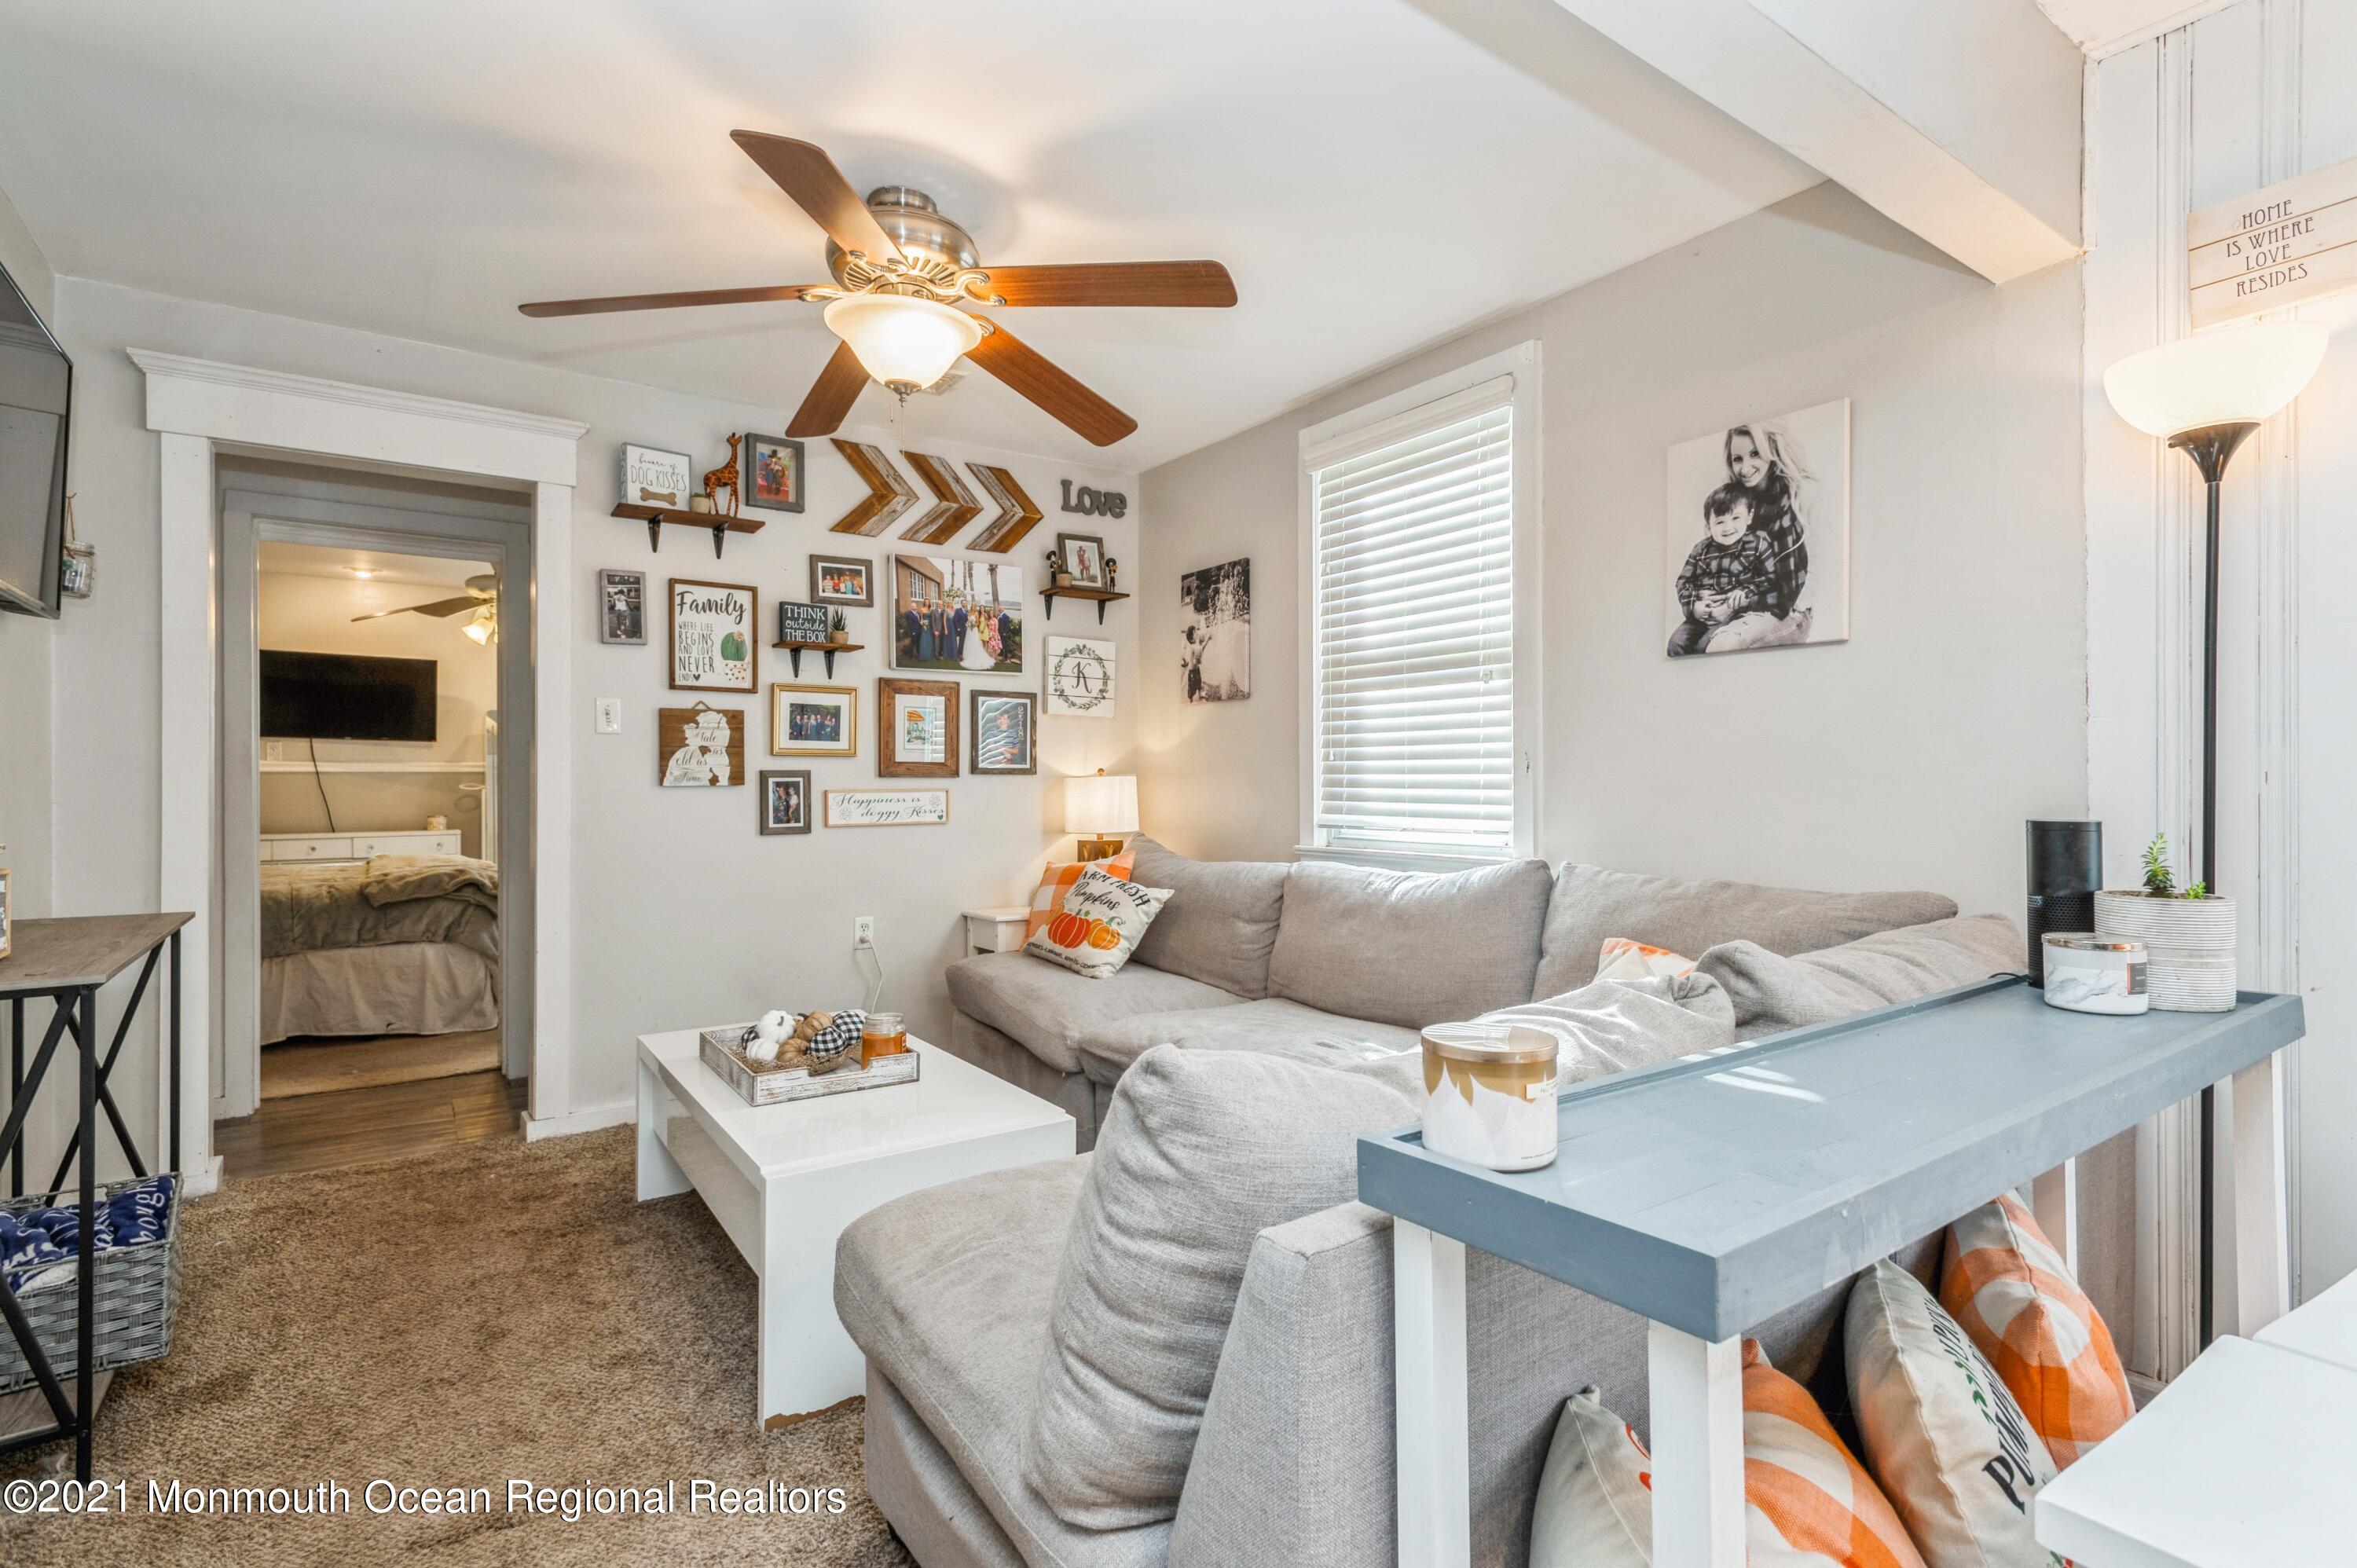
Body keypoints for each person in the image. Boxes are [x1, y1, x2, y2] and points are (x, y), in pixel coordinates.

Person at [1721, 423, 1812, 647]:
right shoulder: (1733, 505)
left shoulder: (1791, 500)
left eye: (1755, 454)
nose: (1745, 468)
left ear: (1771, 454)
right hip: (1745, 603)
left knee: (1723, 644)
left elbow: (1791, 592)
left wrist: (1737, 605)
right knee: (1680, 644)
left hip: (1789, 607)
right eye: (1737, 459)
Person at [1668, 485, 1780, 658]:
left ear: (1749, 517)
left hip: (1735, 613)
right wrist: (1693, 606)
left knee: (1706, 647)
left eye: (1736, 518)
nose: (1728, 527)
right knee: (1676, 645)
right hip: (1701, 615)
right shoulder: (1701, 549)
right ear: (1708, 526)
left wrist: (1745, 591)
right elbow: (1683, 581)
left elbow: (1770, 578)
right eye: (1720, 522)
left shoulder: (1758, 543)